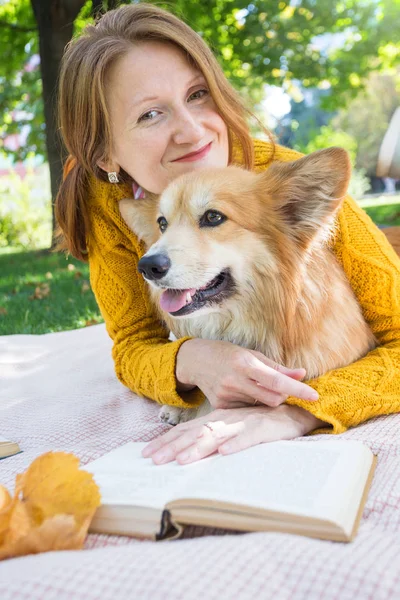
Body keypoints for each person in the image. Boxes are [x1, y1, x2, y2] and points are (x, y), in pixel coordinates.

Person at [56, 3, 400, 466]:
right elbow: (134, 342)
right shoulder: (108, 207)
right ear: (106, 157)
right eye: (150, 115)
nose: (193, 131)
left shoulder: (279, 181)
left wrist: (298, 411)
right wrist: (192, 360)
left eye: (197, 94)